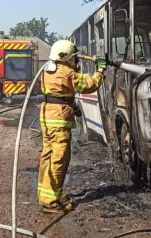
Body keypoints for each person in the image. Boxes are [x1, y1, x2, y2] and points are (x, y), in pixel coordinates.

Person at [38, 40, 107, 214]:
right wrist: (100, 69)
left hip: (48, 117)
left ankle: (48, 194)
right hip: (58, 121)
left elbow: (60, 90)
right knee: (59, 159)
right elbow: (89, 84)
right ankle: (51, 203)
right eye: (72, 58)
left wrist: (71, 104)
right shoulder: (66, 72)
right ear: (67, 57)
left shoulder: (48, 69)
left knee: (48, 157)